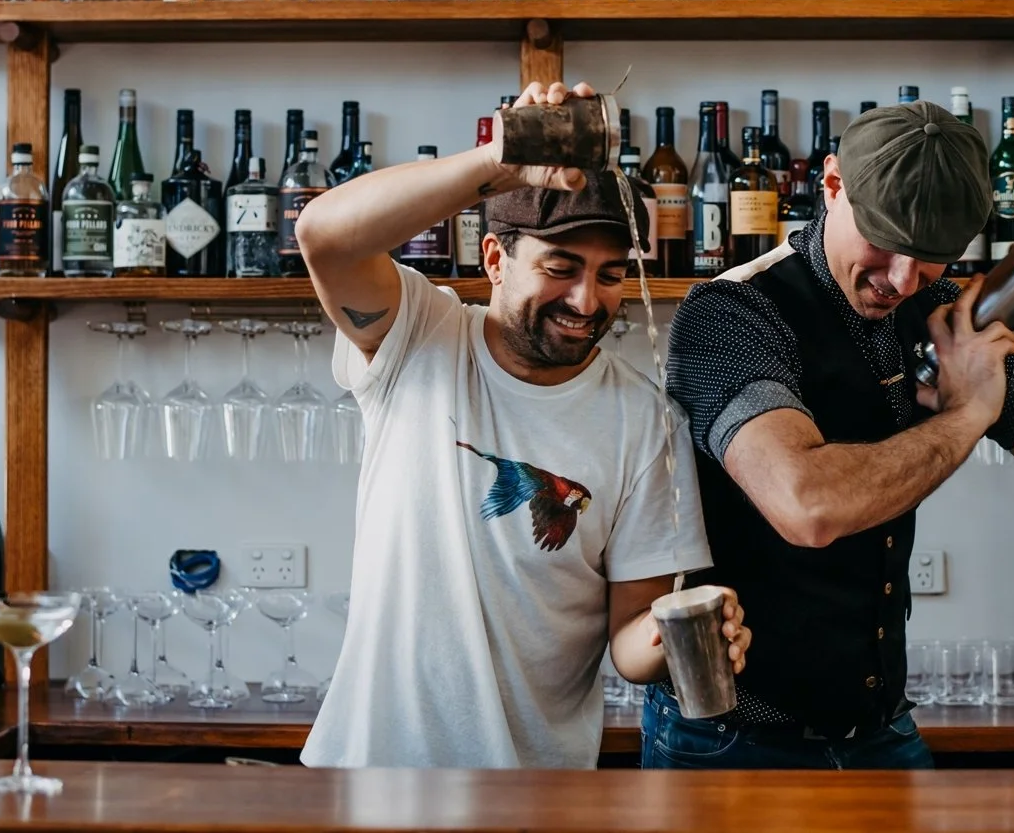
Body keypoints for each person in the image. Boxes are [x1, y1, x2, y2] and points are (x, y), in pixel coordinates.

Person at [648, 100, 1014, 770]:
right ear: (832, 183)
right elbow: (807, 507)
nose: (901, 280)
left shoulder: (940, 310)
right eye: (883, 240)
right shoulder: (733, 311)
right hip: (731, 737)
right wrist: (968, 414)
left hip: (879, 728)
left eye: (931, 259)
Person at [296, 80, 750, 770]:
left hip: (532, 792)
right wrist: (501, 161)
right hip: (369, 774)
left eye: (610, 275)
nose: (586, 301)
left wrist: (679, 629)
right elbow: (322, 234)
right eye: (560, 268)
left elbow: (630, 638)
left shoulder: (646, 420)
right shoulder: (418, 337)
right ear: (494, 259)